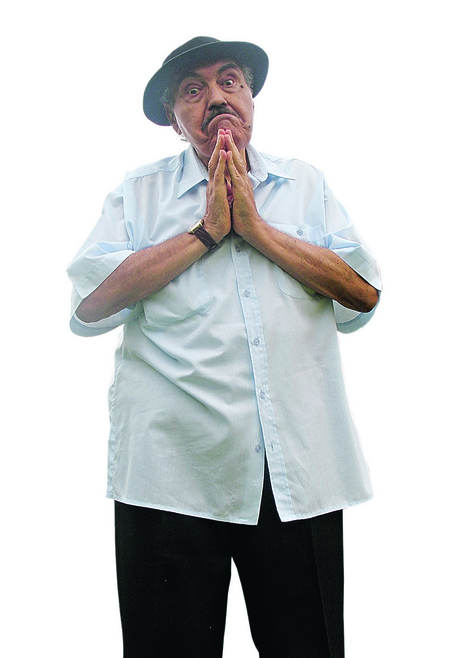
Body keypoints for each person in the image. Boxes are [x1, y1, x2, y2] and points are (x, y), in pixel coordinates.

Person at [67, 36, 381, 658]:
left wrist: (257, 229)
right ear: (174, 118)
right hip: (170, 472)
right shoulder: (139, 194)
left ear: (251, 97)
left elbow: (362, 293)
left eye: (229, 81)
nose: (215, 98)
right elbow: (90, 303)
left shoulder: (304, 185)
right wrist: (208, 231)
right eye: (193, 90)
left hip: (295, 470)